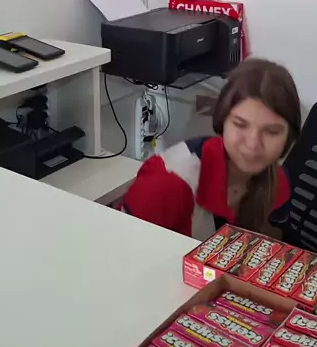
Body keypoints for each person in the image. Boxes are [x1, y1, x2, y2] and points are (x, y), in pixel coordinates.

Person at [116, 57, 302, 240]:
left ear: (289, 137)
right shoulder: (168, 183)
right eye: (240, 125)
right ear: (222, 121)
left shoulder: (277, 180)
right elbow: (125, 248)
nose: (253, 144)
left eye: (271, 132)